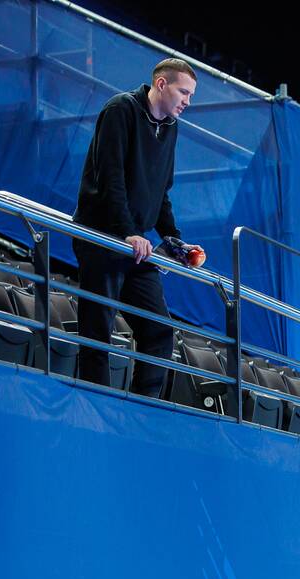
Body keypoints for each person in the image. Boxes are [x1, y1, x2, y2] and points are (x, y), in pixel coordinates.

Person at [72, 58, 198, 398]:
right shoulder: (120, 110)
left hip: (135, 247)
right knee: (97, 331)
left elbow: (160, 193)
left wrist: (175, 241)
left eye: (190, 95)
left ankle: (141, 411)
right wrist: (128, 231)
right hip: (102, 238)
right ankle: (96, 406)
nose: (188, 101)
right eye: (183, 92)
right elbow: (110, 177)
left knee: (158, 330)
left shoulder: (170, 127)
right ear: (161, 84)